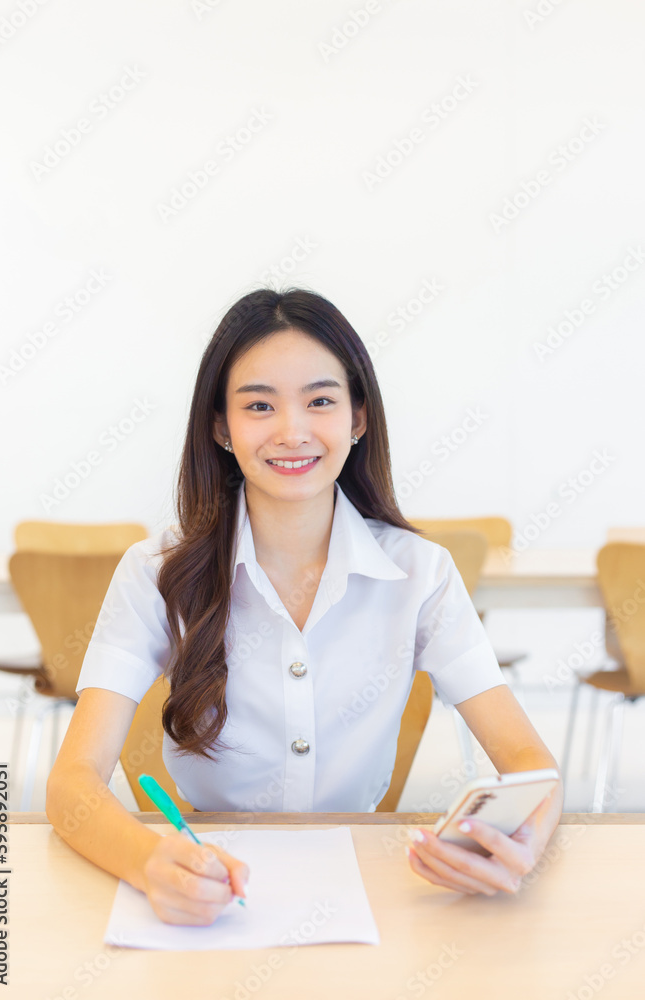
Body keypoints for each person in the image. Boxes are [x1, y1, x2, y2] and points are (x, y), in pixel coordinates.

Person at [46, 286, 563, 926]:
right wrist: (147, 861)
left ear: (358, 418)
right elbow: (73, 781)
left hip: (368, 884)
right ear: (220, 427)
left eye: (320, 401)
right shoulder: (156, 573)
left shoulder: (418, 573)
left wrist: (520, 846)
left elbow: (530, 764)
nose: (292, 431)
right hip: (208, 878)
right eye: (259, 405)